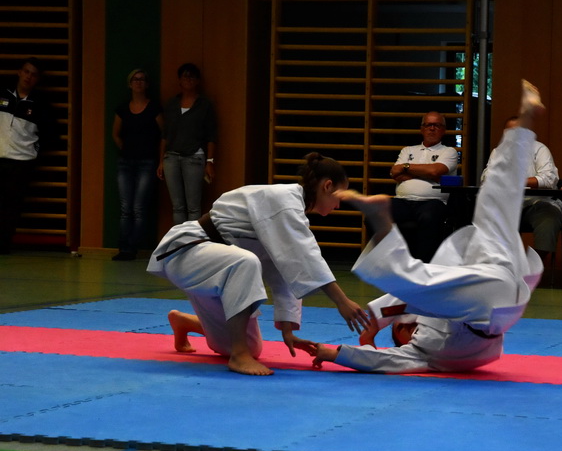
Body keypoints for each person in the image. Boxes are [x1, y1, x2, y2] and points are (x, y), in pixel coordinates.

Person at [299, 81, 544, 373]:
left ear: (403, 334)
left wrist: (343, 348)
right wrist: (347, 346)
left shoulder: (423, 346)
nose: (405, 337)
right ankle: (383, 221)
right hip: (490, 304)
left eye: (401, 335)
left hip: (498, 290)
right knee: (493, 210)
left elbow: (389, 342)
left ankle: (523, 123)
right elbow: (393, 333)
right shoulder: (422, 345)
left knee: (496, 200)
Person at [146, 152, 369, 376]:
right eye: (339, 197)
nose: (339, 205)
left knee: (253, 347)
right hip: (187, 251)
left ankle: (188, 323)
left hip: (213, 269)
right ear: (327, 186)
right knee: (245, 261)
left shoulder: (289, 211)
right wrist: (341, 301)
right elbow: (307, 256)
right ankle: (238, 356)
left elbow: (285, 270)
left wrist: (288, 330)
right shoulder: (284, 202)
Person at [481, 115, 562, 270]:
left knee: (549, 218)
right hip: (507, 204)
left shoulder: (539, 149)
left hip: (537, 203)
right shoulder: (498, 152)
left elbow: (549, 179)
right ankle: (500, 267)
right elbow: (486, 177)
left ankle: (531, 267)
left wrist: (516, 181)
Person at [0, 57, 58, 254]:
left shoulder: (41, 104)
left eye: (33, 74)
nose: (28, 76)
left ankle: (3, 244)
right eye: (26, 71)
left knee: (11, 206)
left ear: (37, 79)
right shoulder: (3, 94)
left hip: (21, 162)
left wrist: (35, 151)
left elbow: (51, 135)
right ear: (19, 72)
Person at [387, 111, 459, 262]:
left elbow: (435, 171)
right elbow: (395, 172)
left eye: (437, 125)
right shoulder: (408, 150)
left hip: (433, 202)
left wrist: (406, 167)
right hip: (403, 200)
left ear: (443, 130)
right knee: (375, 214)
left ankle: (423, 264)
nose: (432, 128)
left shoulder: (449, 151)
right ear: (422, 129)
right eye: (428, 125)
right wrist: (426, 173)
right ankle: (388, 262)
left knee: (429, 217)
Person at [111, 68, 164, 261]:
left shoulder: (154, 109)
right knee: (126, 208)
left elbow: (163, 134)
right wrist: (125, 147)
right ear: (129, 84)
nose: (138, 82)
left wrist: (160, 159)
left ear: (147, 84)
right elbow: (115, 133)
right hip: (126, 162)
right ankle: (124, 248)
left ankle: (132, 246)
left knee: (139, 208)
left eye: (142, 79)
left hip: (147, 162)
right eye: (135, 79)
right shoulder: (123, 109)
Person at [159, 63, 217, 225]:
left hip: (194, 157)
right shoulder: (171, 104)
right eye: (185, 76)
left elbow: (211, 135)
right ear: (179, 80)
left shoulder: (204, 104)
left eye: (192, 76)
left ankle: (193, 244)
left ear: (197, 80)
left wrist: (210, 162)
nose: (188, 79)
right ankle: (179, 244)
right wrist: (160, 160)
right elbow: (165, 134)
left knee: (193, 207)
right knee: (177, 206)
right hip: (171, 157)